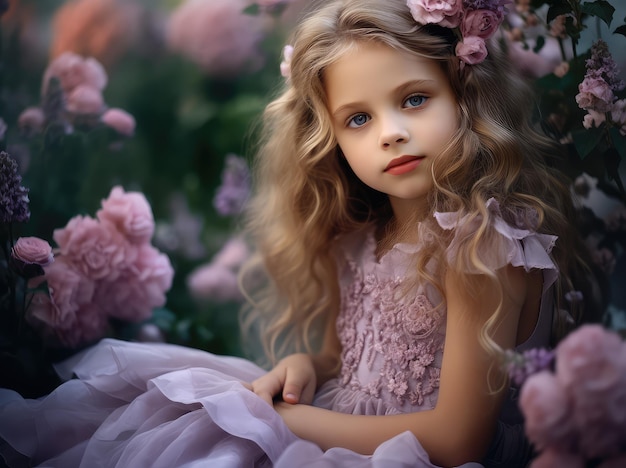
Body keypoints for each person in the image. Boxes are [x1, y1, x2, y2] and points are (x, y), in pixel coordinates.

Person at [0, 0, 601, 467]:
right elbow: (363, 363)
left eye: (415, 99)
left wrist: (285, 422)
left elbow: (457, 439)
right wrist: (309, 363)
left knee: (221, 418)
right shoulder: (363, 238)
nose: (389, 133)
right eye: (359, 118)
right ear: (331, 140)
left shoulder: (483, 246)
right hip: (337, 427)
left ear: (466, 101)